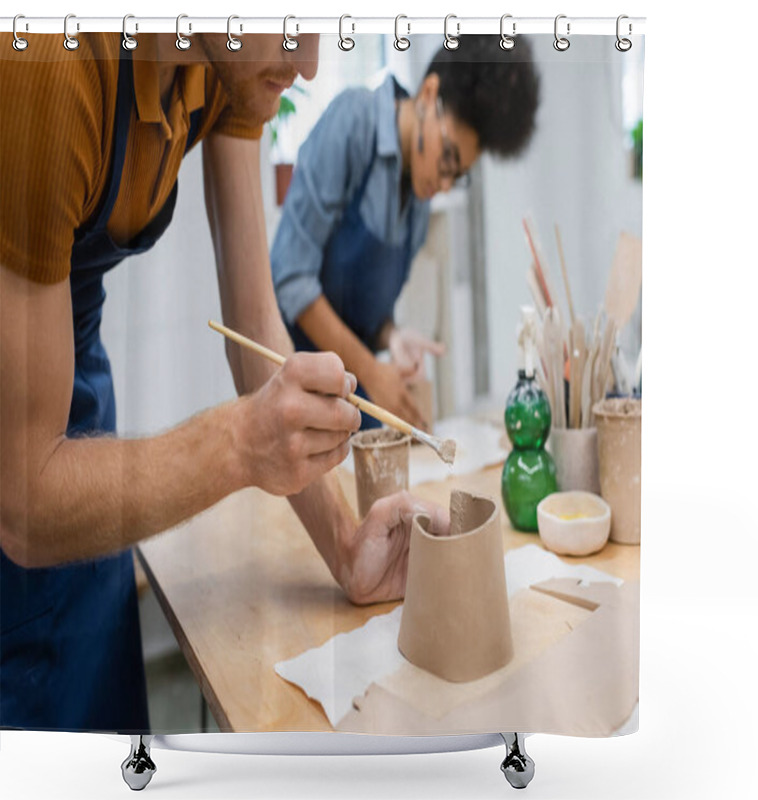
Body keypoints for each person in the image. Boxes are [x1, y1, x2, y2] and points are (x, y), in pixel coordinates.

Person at [0, 30, 448, 733]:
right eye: (291, 23)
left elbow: (255, 319)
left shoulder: (229, 57)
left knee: (105, 700)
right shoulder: (45, 64)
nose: (308, 65)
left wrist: (346, 549)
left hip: (69, 363)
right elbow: (25, 504)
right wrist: (238, 444)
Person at [271, 35, 540, 430]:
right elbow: (291, 278)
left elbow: (363, 314)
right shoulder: (353, 123)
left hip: (349, 388)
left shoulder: (419, 191)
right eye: (448, 158)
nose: (445, 183)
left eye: (458, 175)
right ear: (429, 94)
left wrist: (391, 335)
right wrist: (370, 370)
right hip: (293, 377)